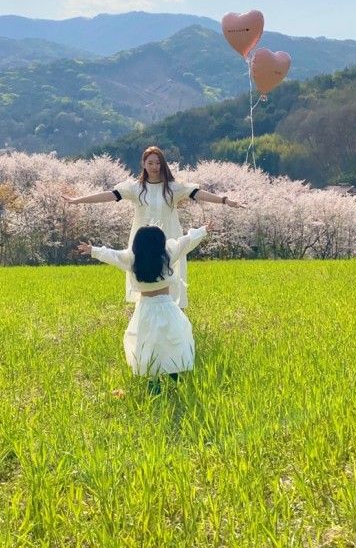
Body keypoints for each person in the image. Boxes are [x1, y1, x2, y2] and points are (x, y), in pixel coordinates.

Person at [65, 145, 242, 308]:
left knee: (171, 272)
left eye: (158, 163)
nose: (155, 167)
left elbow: (198, 193)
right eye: (150, 163)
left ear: (163, 164)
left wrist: (225, 200)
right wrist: (78, 201)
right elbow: (109, 195)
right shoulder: (135, 188)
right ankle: (145, 312)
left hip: (169, 237)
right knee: (141, 271)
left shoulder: (173, 188)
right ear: (143, 164)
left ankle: (174, 313)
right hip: (142, 240)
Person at [77, 223, 210, 392]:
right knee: (174, 340)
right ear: (161, 242)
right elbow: (187, 241)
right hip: (167, 307)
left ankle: (153, 381)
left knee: (148, 344)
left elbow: (112, 255)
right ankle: (173, 375)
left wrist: (93, 250)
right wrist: (203, 230)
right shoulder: (167, 255)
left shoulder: (132, 259)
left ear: (137, 243)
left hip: (145, 309)